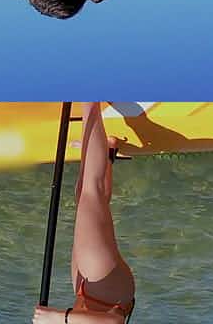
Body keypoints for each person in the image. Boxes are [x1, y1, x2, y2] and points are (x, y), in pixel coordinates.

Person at [33, 102, 135, 324]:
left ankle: (106, 152)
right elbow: (115, 322)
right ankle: (89, 97)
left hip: (89, 295)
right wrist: (59, 317)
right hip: (106, 292)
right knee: (91, 190)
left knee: (88, 199)